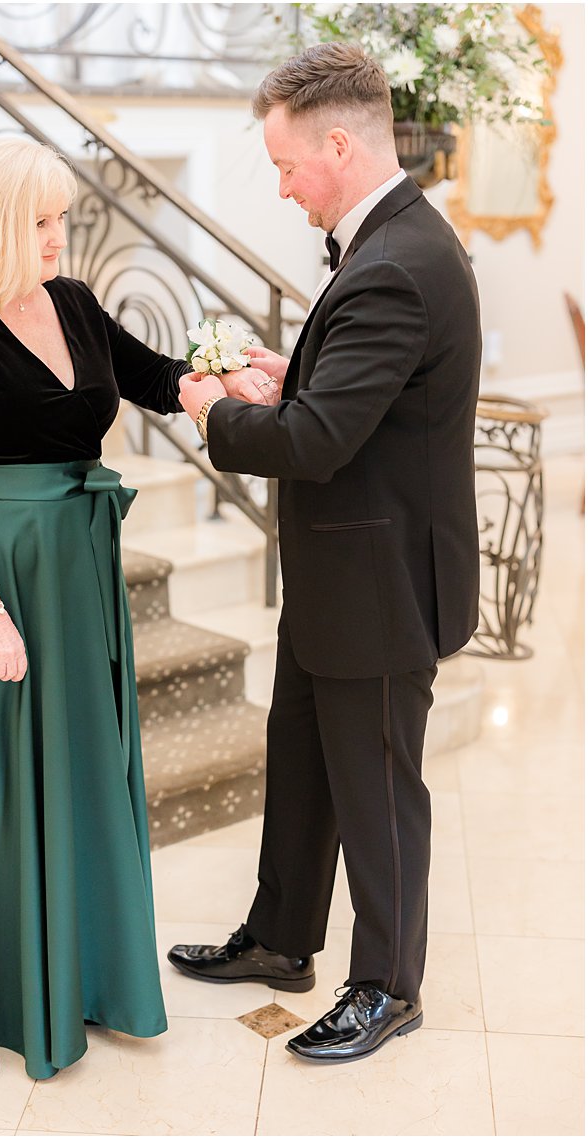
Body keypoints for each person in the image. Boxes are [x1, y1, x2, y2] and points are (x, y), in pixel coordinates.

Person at [0, 136, 274, 1090]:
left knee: (80, 770)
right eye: (40, 220)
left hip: (75, 568)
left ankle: (88, 977)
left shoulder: (72, 303)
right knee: (5, 790)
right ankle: (12, 997)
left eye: (60, 217)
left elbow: (149, 377)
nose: (59, 235)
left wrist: (217, 384)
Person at [172, 42, 481, 1063]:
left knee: (377, 790)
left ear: (336, 145)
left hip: (381, 585)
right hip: (341, 576)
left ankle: (387, 985)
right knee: (301, 764)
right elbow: (351, 397)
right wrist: (284, 369)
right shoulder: (388, 240)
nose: (282, 185)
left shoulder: (394, 262)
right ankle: (279, 938)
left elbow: (312, 442)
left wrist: (218, 410)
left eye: (285, 165)